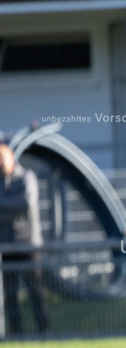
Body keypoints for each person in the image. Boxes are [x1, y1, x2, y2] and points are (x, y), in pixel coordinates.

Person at [0, 140, 49, 336]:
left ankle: (44, 332)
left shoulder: (26, 177)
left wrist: (2, 206)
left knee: (35, 292)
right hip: (6, 247)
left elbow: (26, 202)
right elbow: (17, 206)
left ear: (11, 157)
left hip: (29, 246)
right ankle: (16, 334)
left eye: (2, 159)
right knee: (10, 295)